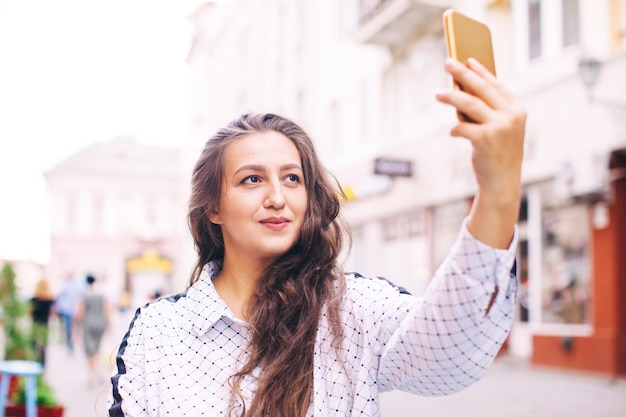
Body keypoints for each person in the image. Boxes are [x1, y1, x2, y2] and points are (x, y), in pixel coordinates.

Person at [108, 57, 526, 416]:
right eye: (252, 179)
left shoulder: (352, 309)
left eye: (293, 178)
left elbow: (451, 357)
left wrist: (499, 190)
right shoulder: (159, 332)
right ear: (213, 207)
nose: (277, 198)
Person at [75, 274, 111, 388]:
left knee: (90, 351)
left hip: (88, 325)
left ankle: (92, 377)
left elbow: (79, 313)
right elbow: (107, 310)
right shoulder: (101, 295)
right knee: (97, 350)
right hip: (100, 324)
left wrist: (76, 327)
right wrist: (108, 324)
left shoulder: (84, 295)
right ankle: (98, 374)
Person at [53, 272, 83, 353]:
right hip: (68, 309)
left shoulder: (67, 285)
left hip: (68, 309)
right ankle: (69, 341)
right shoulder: (69, 285)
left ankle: (69, 341)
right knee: (69, 326)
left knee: (68, 326)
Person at [29, 277, 55, 365]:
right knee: (43, 347)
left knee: (34, 346)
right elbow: (52, 313)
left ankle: (34, 363)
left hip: (35, 324)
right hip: (45, 325)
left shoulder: (33, 300)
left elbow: (29, 312)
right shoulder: (50, 300)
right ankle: (42, 365)